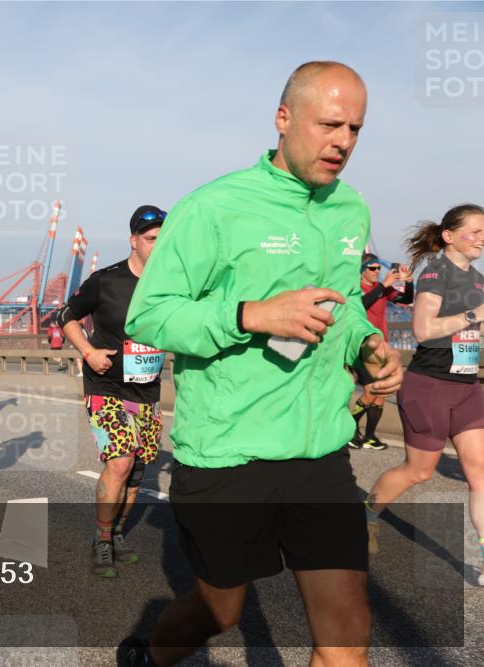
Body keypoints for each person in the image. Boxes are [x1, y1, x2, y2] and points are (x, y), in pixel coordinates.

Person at [121, 62, 403, 666]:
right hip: (230, 453)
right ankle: (149, 657)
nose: (343, 142)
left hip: (319, 451)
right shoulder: (214, 206)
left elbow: (345, 302)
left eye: (355, 128)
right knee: (219, 613)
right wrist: (251, 314)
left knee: (346, 642)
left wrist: (366, 345)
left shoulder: (350, 208)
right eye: (329, 124)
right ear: (283, 118)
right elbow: (149, 315)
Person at [365, 204, 484, 586]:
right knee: (418, 471)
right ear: (449, 236)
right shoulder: (435, 273)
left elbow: (473, 331)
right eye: (475, 231)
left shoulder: (478, 279)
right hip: (430, 386)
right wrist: (475, 315)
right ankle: (366, 515)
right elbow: (423, 330)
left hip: (467, 386)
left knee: (480, 474)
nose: (482, 238)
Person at [56, 205, 166, 578]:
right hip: (106, 387)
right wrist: (88, 352)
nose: (158, 245)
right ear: (133, 241)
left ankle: (117, 533)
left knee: (136, 472)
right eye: (151, 239)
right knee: (120, 461)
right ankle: (101, 540)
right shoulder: (105, 281)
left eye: (163, 239)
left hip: (147, 391)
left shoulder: (171, 284)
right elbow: (66, 316)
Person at [348, 254, 413, 450]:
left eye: (378, 268)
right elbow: (361, 305)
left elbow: (406, 299)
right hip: (363, 348)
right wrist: (384, 285)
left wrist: (409, 282)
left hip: (383, 347)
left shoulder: (381, 289)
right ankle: (349, 429)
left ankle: (369, 436)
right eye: (372, 268)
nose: (377, 271)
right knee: (371, 391)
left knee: (381, 394)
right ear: (362, 270)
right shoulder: (355, 288)